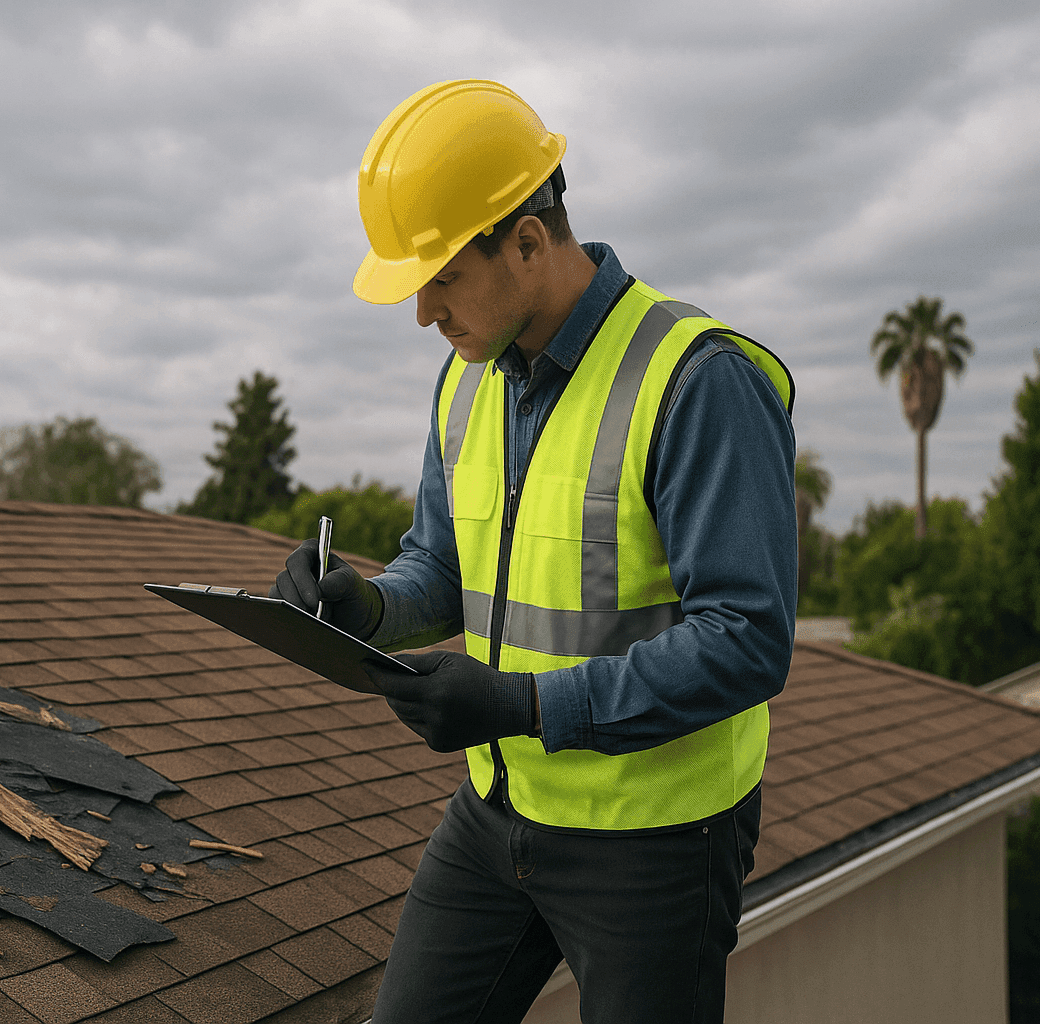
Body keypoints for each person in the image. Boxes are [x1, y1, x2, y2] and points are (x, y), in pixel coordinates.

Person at [269, 80, 797, 1023]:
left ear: (526, 239)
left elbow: (747, 641)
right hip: (497, 813)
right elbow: (442, 569)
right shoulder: (468, 382)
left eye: (441, 277)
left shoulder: (697, 381)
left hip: (657, 841)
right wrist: (363, 604)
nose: (425, 312)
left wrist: (519, 703)